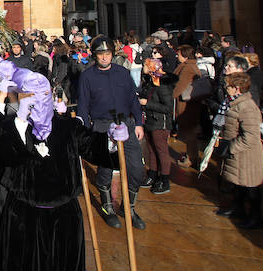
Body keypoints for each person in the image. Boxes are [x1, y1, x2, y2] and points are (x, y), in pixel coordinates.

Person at [0, 72, 111, 271]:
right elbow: (5, 154)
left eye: (43, 93)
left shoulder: (68, 128)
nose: (37, 100)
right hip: (23, 217)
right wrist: (21, 121)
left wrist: (111, 140)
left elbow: (92, 146)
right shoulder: (10, 128)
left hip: (64, 219)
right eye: (30, 94)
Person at [76, 35, 145, 230]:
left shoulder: (122, 73)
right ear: (95, 56)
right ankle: (107, 207)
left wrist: (138, 123)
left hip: (126, 124)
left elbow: (133, 99)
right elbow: (83, 105)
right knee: (105, 169)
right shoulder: (87, 76)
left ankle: (129, 207)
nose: (104, 58)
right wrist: (85, 130)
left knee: (136, 169)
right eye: (100, 54)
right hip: (102, 125)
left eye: (107, 54)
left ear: (112, 54)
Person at [214, 72, 263, 229]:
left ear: (236, 88)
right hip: (237, 152)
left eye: (228, 86)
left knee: (250, 186)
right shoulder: (236, 103)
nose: (226, 89)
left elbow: (250, 136)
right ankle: (238, 209)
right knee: (239, 184)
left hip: (246, 154)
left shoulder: (248, 107)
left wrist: (231, 147)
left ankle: (256, 217)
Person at [139, 58, 174, 194]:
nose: (143, 67)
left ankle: (164, 179)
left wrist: (146, 103)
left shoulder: (163, 85)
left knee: (161, 151)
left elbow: (167, 107)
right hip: (150, 120)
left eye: (146, 65)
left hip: (160, 122)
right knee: (151, 149)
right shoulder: (150, 82)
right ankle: (152, 174)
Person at [172, 45, 202, 168]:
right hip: (190, 104)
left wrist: (169, 95)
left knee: (189, 133)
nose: (177, 56)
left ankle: (191, 157)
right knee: (190, 132)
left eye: (178, 54)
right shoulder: (190, 66)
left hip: (186, 105)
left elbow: (180, 87)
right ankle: (192, 155)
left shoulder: (187, 68)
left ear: (184, 56)